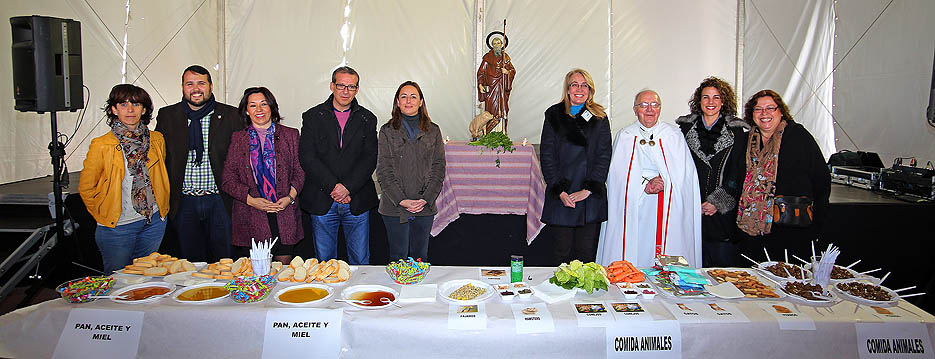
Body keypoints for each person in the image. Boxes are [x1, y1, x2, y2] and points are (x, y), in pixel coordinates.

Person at [597, 90, 702, 267]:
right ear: (635, 109)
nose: (649, 110)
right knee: (636, 247)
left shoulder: (673, 135)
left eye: (654, 105)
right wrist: (644, 185)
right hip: (635, 206)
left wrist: (666, 182)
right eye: (643, 105)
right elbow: (617, 178)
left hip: (667, 204)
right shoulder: (625, 136)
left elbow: (685, 177)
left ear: (660, 108)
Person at [155, 65, 241, 263]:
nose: (196, 89)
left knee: (226, 261)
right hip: (184, 202)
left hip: (220, 201)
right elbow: (161, 156)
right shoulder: (168, 116)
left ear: (211, 86)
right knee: (190, 263)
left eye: (201, 83)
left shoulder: (231, 115)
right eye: (190, 84)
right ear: (183, 88)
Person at [79, 84, 169, 274]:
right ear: (114, 109)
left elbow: (160, 175)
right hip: (117, 226)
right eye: (123, 104)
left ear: (144, 109)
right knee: (118, 283)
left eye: (136, 104)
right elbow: (87, 188)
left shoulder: (156, 139)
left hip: (153, 221)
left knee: (147, 278)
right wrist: (103, 214)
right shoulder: (102, 144)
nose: (130, 110)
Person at [736, 90, 831, 260]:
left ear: (781, 111)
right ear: (752, 114)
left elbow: (821, 180)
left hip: (790, 228)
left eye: (770, 108)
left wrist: (819, 224)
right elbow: (735, 179)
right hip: (751, 229)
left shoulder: (798, 137)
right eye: (758, 109)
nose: (764, 114)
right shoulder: (744, 141)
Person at [299, 66, 378, 265]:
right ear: (332, 86)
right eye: (341, 85)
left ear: (357, 89)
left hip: (356, 200)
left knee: (360, 260)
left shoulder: (367, 118)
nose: (345, 91)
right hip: (322, 198)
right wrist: (334, 187)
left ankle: (359, 296)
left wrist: (348, 187)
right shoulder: (312, 116)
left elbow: (369, 158)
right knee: (325, 263)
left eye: (351, 87)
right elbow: (307, 157)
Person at [221, 87, 305, 263]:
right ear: (246, 110)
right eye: (253, 105)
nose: (259, 110)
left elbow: (300, 170)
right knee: (257, 275)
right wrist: (252, 200)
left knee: (283, 272)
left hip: (284, 212)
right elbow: (227, 180)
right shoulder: (237, 139)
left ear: (272, 107)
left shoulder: (290, 135)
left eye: (263, 104)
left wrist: (290, 197)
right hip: (251, 214)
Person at [539, 69, 611, 265]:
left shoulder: (599, 117)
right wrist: (560, 190)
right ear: (568, 89)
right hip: (563, 195)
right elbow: (547, 155)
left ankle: (584, 296)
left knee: (586, 255)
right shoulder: (553, 114)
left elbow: (604, 156)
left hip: (589, 197)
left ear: (590, 90)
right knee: (560, 254)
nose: (579, 89)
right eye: (574, 84)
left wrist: (588, 190)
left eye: (584, 85)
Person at [676, 77, 749, 267]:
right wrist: (690, 201)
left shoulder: (738, 132)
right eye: (706, 97)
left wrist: (717, 202)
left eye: (716, 97)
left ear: (723, 101)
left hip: (722, 214)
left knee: (722, 270)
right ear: (698, 101)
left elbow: (738, 172)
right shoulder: (683, 130)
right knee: (690, 269)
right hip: (691, 207)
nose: (711, 102)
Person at [376, 81, 446, 261]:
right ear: (397, 102)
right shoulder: (386, 131)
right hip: (394, 207)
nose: (409, 101)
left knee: (420, 258)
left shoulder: (433, 131)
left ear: (421, 101)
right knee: (398, 258)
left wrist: (426, 198)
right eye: (403, 97)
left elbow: (439, 168)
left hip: (425, 206)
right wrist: (402, 200)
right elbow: (383, 170)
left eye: (413, 96)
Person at [477, 34, 516, 132]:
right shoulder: (487, 57)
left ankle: (501, 132)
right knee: (491, 110)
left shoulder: (505, 58)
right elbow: (481, 72)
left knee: (502, 109)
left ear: (502, 44)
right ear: (492, 46)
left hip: (502, 88)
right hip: (491, 88)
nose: (496, 45)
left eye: (498, 43)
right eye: (494, 44)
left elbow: (512, 70)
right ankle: (490, 132)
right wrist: (481, 84)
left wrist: (507, 72)